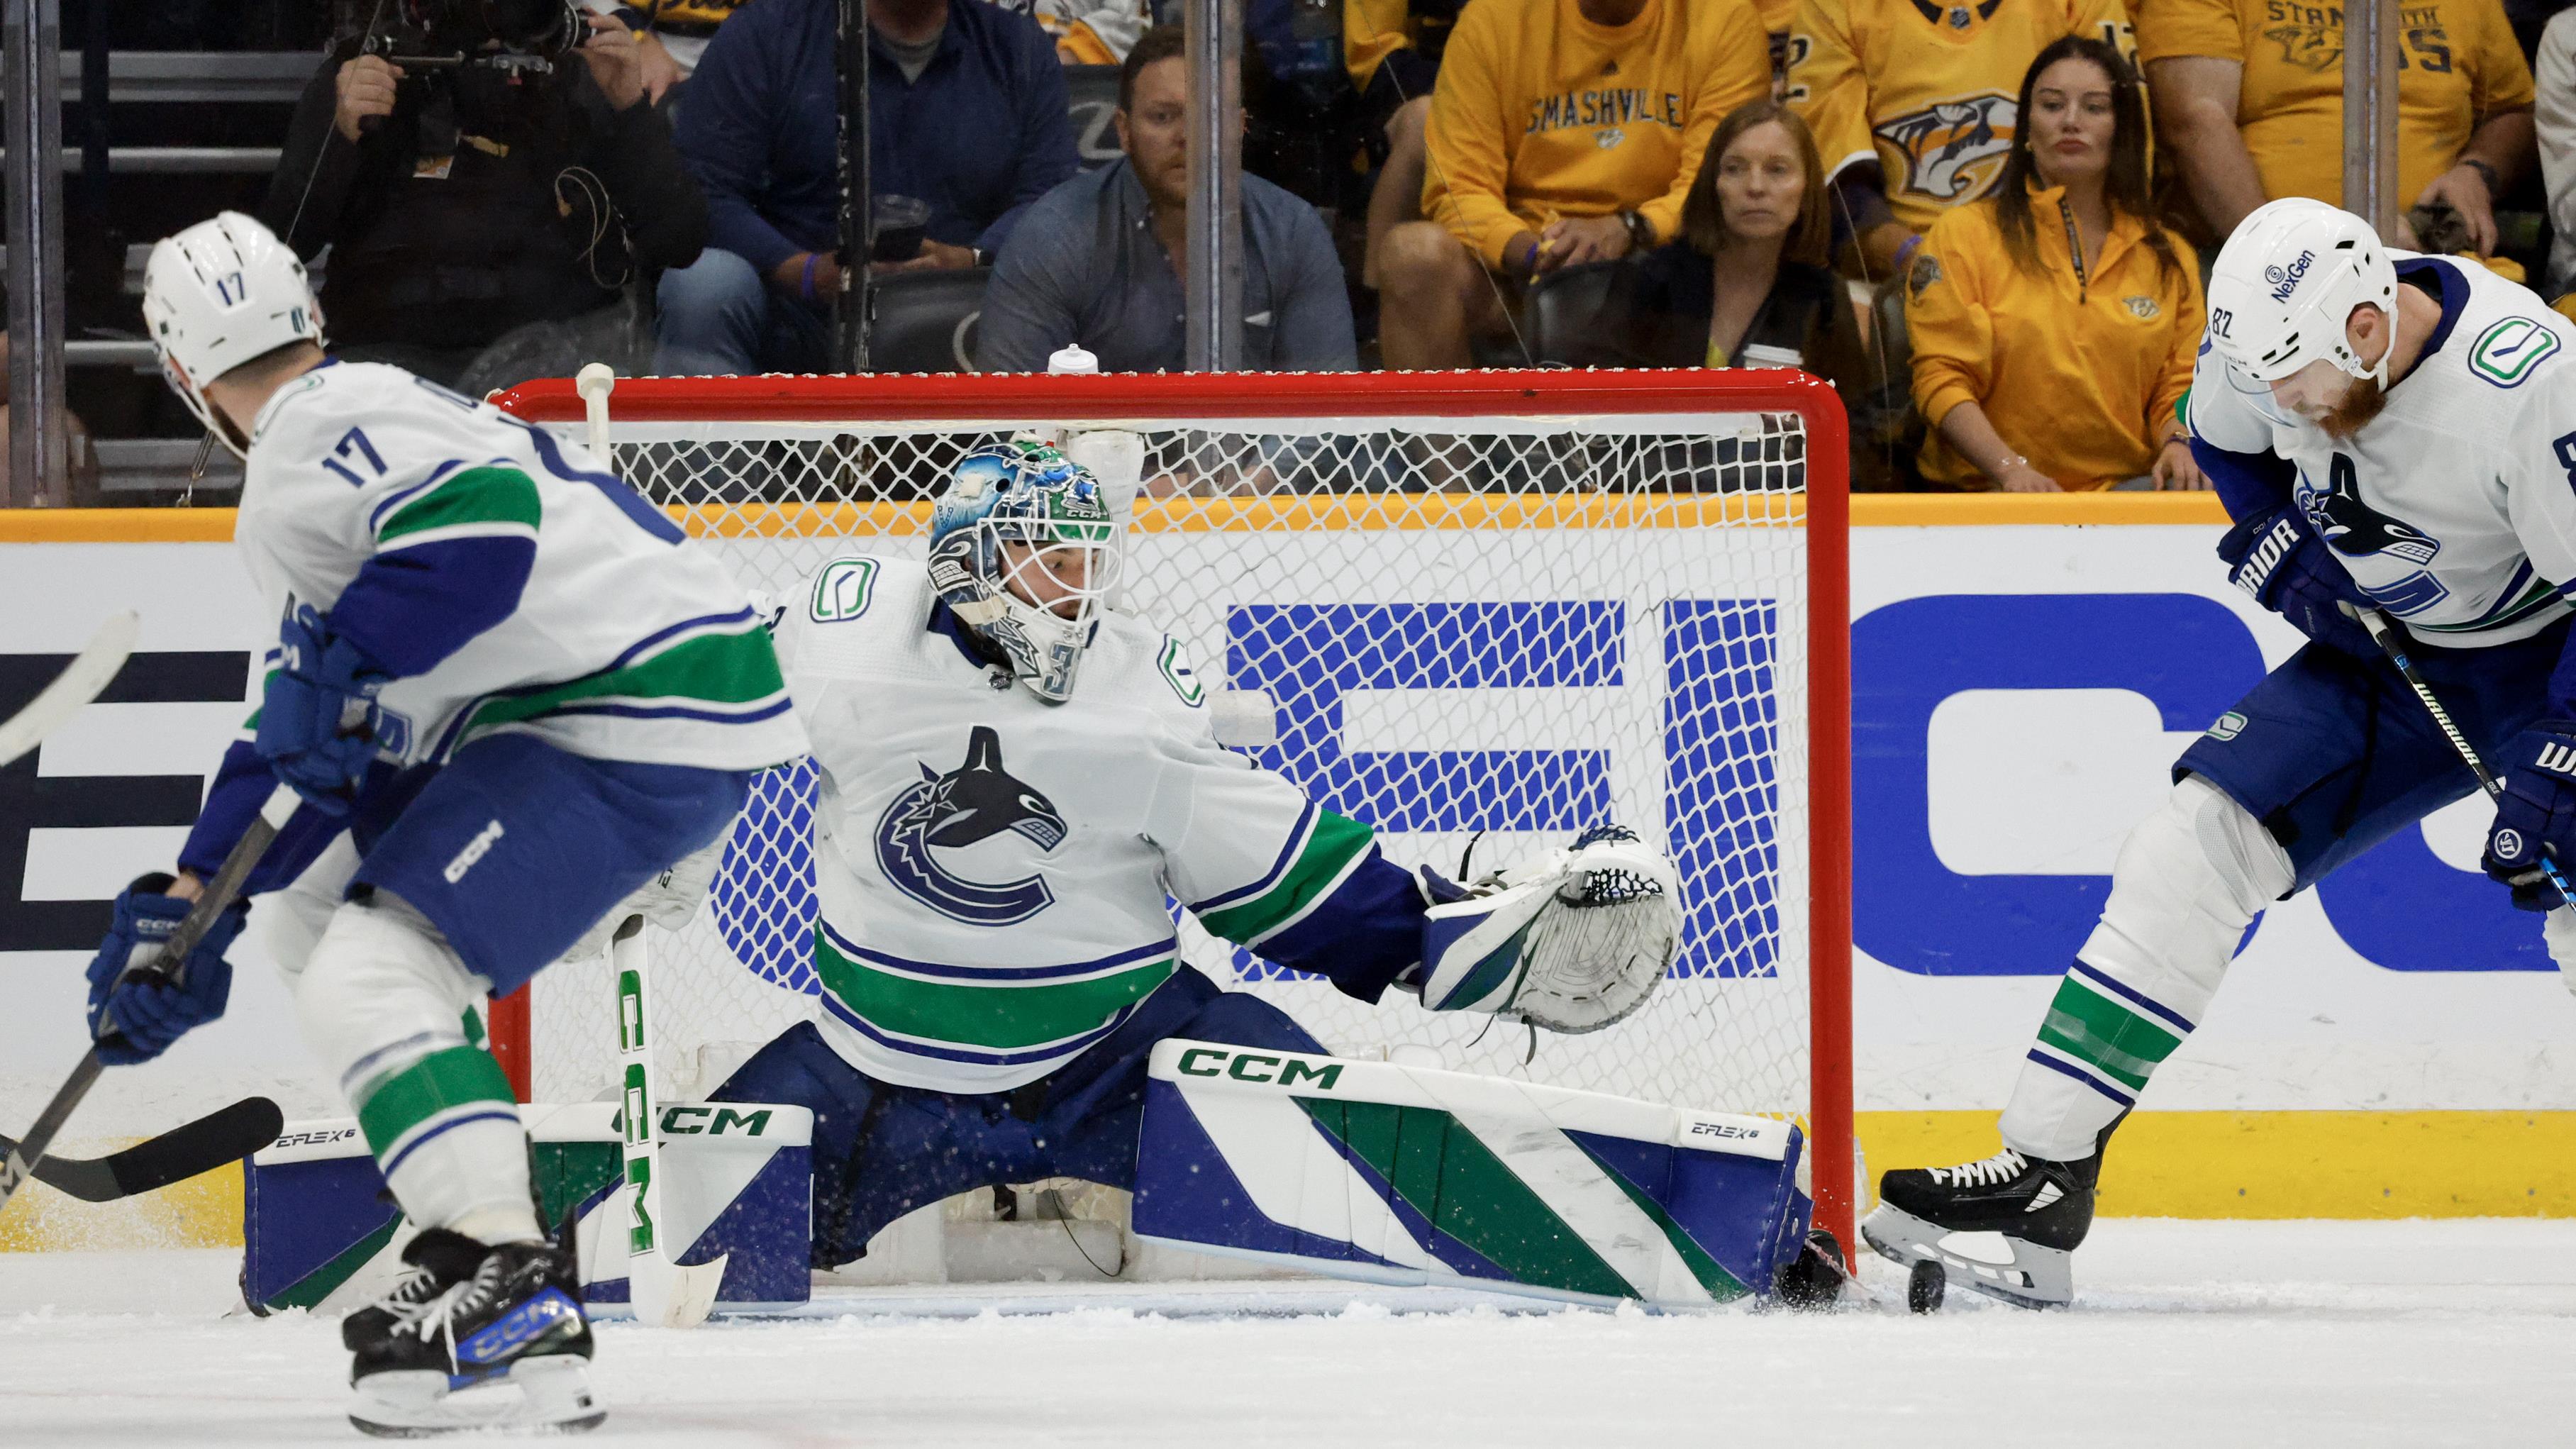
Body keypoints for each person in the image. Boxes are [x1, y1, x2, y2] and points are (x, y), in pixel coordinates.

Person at [117, 212, 807, 1431]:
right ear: (310, 315)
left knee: (372, 970)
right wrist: (193, 904)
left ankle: (506, 1264)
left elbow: (479, 536)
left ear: (182, 374)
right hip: (642, 710)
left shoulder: (310, 435)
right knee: (312, 927)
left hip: (628, 712)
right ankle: (463, 1243)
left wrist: (342, 668)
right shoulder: (386, 414)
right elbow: (315, 753)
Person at [708, 438, 1705, 1282]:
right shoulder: (842, 641)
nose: (1081, 591)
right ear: (970, 561)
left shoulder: (1134, 693)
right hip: (878, 1066)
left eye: (1089, 562)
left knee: (1349, 1134)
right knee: (680, 1225)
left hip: (1123, 1057)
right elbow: (700, 697)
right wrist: (638, 834)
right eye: (1051, 562)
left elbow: (1277, 873)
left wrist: (1448, 940)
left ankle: (1695, 1231)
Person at [1864, 196, 2576, 1307]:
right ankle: (2048, 1167)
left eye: (2302, 381)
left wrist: (2563, 756)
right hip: (2388, 655)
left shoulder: (2529, 383)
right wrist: (2271, 533)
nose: (2284, 402)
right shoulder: (2272, 336)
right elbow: (2225, 437)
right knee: (2188, 848)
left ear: (2370, 326)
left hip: (2551, 662)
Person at [260, 9, 706, 394]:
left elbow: (678, 243)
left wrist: (630, 108)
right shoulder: (375, 62)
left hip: (556, 362)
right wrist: (340, 133)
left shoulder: (584, 64)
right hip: (390, 363)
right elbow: (283, 244)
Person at [654, 0, 1079, 374]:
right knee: (702, 284)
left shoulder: (1017, 47)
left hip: (967, 312)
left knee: (1064, 273)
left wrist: (972, 260)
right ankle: (717, 464)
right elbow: (704, 190)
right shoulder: (764, 35)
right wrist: (803, 272)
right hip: (797, 312)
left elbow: (1051, 196)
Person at [1373, 0, 1771, 369]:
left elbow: (1718, 181)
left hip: (1664, 264)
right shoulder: (1492, 18)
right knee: (1412, 255)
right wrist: (1536, 254)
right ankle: (1444, 448)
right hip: (1527, 267)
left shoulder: (1723, 19)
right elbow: (1459, 188)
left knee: (1747, 225)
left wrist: (1630, 229)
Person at [1532, 101, 1890, 489]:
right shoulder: (1652, 280)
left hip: (1772, 514)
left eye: (1777, 170)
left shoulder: (1821, 296)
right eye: (1735, 169)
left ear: (1806, 190)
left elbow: (1855, 430)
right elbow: (1595, 421)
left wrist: (1803, 441)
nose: (1755, 187)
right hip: (1650, 505)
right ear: (1712, 186)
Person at [1903, 37, 2204, 492]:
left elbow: (2180, 384)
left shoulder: (2169, 256)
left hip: (2126, 494)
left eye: (2095, 107)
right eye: (2051, 104)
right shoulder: (1963, 234)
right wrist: (2010, 469)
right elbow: (1941, 378)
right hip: (1985, 493)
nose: (2070, 121)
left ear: (2122, 129)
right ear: (2027, 125)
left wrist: (2180, 443)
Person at [977, 26, 1355, 373]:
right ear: (1124, 132)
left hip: (1260, 449)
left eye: (1210, 117)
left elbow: (1330, 418)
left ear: (1240, 128)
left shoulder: (1293, 232)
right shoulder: (1053, 237)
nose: (1188, 138)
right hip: (1096, 447)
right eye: (1162, 117)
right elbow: (1015, 423)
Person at [2142, 0, 2535, 251]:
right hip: (2252, 256)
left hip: (2429, 251)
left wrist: (2478, 171)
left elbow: (2513, 110)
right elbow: (2195, 122)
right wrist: (2290, 257)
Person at [1786, 0, 2131, 284]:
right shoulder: (1834, 7)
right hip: (1898, 268)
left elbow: (2120, 164)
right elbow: (1839, 194)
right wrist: (1913, 258)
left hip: (2055, 257)